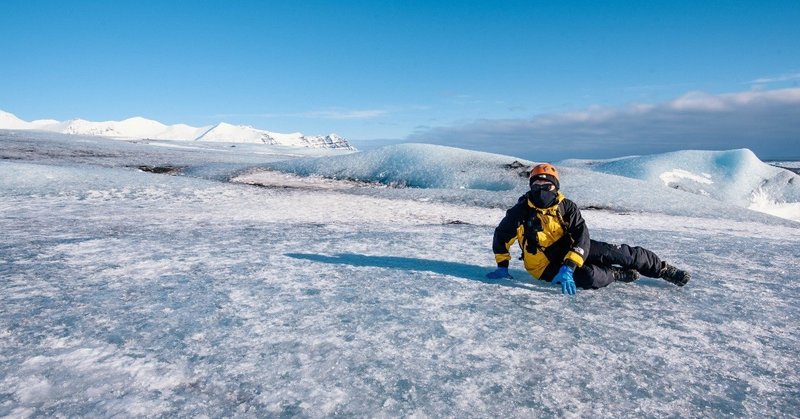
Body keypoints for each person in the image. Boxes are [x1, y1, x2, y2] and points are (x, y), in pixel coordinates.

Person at [486, 163, 690, 295]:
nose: (541, 191)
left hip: (572, 249)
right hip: (543, 266)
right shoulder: (519, 212)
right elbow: (501, 236)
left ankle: (662, 269)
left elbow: (581, 234)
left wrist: (570, 264)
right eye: (536, 186)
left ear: (555, 187)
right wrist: (502, 265)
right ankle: (615, 275)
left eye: (546, 186)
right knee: (589, 276)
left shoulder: (567, 207)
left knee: (619, 253)